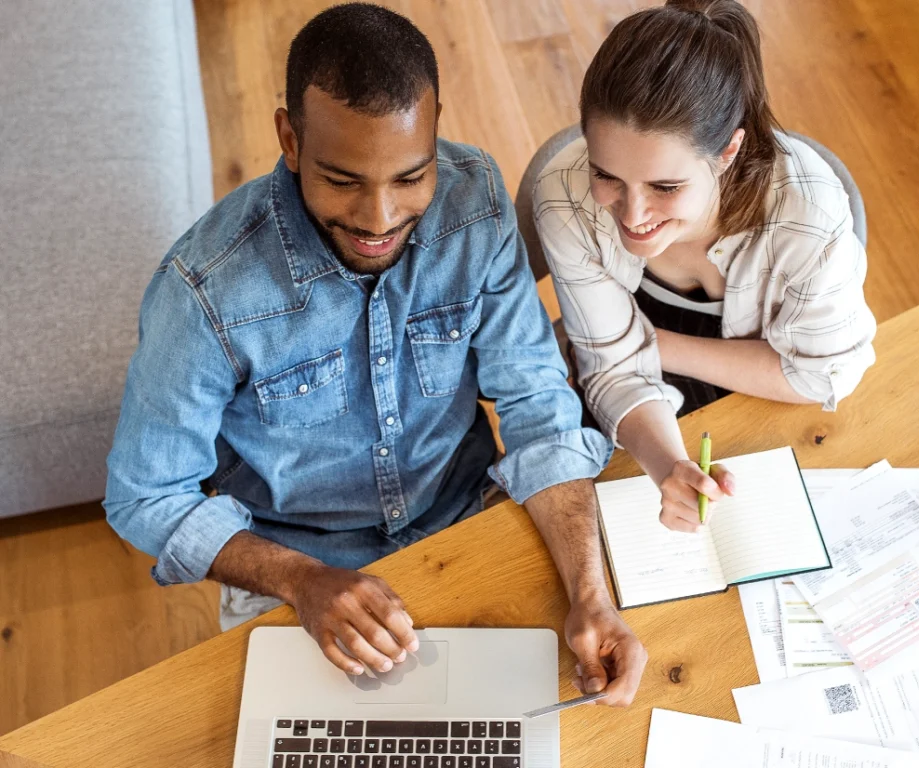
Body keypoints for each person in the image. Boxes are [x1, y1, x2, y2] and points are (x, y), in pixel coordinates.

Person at [104, 3, 646, 706]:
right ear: (289, 140)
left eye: (410, 177)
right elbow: (146, 496)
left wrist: (590, 593)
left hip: (468, 520)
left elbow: (538, 405)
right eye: (343, 180)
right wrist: (302, 581)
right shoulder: (205, 292)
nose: (380, 219)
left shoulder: (474, 203)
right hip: (298, 573)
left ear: (436, 126)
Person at [534, 0, 876, 534]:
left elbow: (821, 373)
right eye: (606, 174)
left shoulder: (810, 216)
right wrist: (670, 467)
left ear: (728, 151)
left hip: (764, 411)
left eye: (665, 187)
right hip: (626, 416)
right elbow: (610, 371)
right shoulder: (566, 196)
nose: (633, 214)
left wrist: (654, 344)